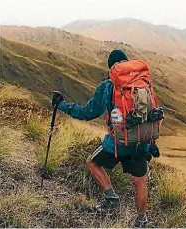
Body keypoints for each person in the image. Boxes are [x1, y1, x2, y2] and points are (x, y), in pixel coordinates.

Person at [52, 50, 151, 228]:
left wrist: (62, 105)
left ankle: (112, 200)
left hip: (117, 142)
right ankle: (141, 219)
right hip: (140, 142)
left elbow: (88, 113)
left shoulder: (108, 86)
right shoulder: (142, 85)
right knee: (140, 180)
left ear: (111, 68)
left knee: (92, 162)